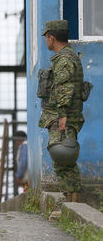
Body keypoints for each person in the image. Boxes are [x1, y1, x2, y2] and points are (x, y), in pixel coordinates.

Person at [40, 20, 84, 202]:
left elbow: (64, 87)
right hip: (62, 114)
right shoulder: (68, 56)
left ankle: (72, 203)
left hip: (62, 116)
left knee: (62, 158)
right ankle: (71, 201)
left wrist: (63, 115)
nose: (46, 41)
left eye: (46, 38)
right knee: (63, 158)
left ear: (52, 37)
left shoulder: (64, 59)